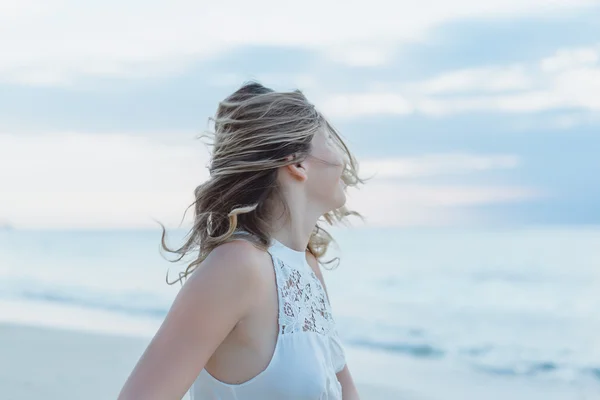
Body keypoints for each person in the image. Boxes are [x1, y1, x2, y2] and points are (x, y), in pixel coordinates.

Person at [118, 82, 366, 400]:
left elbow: (346, 391)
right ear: (298, 163)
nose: (343, 160)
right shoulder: (238, 265)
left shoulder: (307, 268)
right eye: (328, 140)